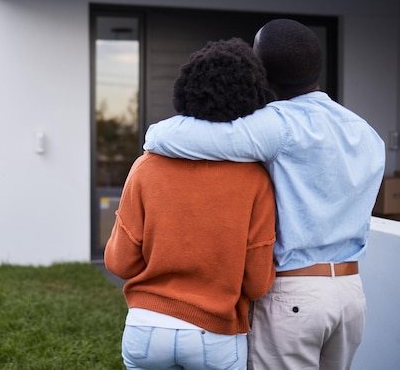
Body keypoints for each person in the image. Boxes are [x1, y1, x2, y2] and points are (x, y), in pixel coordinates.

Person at [143, 19, 386, 370]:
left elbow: (165, 137)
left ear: (263, 73)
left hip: (294, 296)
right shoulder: (366, 133)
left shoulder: (278, 125)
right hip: (350, 295)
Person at [104, 37, 277, 370]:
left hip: (146, 329)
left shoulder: (146, 166)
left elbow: (119, 263)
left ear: (185, 91)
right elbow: (257, 284)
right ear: (251, 101)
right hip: (216, 336)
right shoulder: (256, 180)